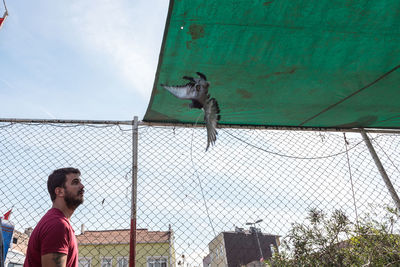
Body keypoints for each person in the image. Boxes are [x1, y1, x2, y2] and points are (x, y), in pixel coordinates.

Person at [24, 168, 85, 267]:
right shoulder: (57, 225)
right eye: (75, 182)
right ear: (59, 191)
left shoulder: (57, 222)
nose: (82, 186)